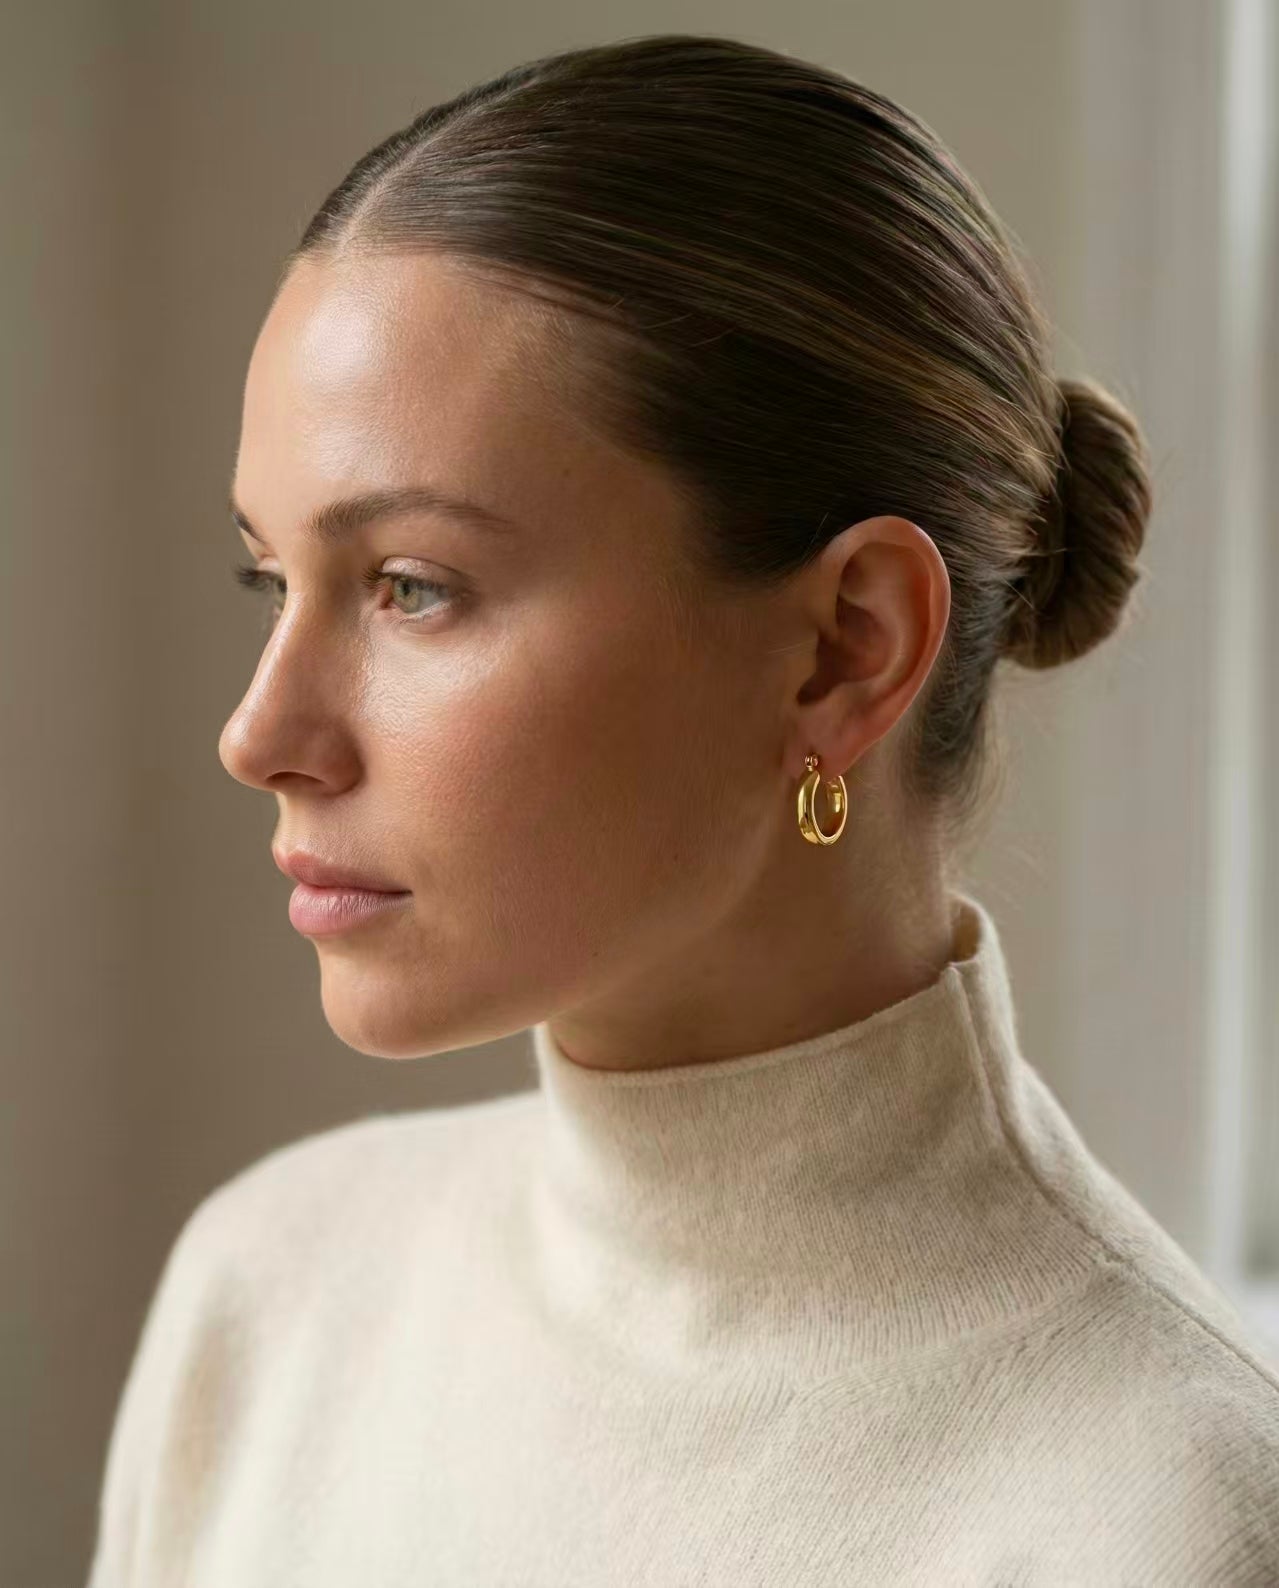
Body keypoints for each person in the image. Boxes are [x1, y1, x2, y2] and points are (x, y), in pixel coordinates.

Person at [87, 32, 1279, 1586]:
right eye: (272, 578)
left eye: (411, 588)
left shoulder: (1159, 1511)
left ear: (847, 649)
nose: (261, 733)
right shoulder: (266, 1300)